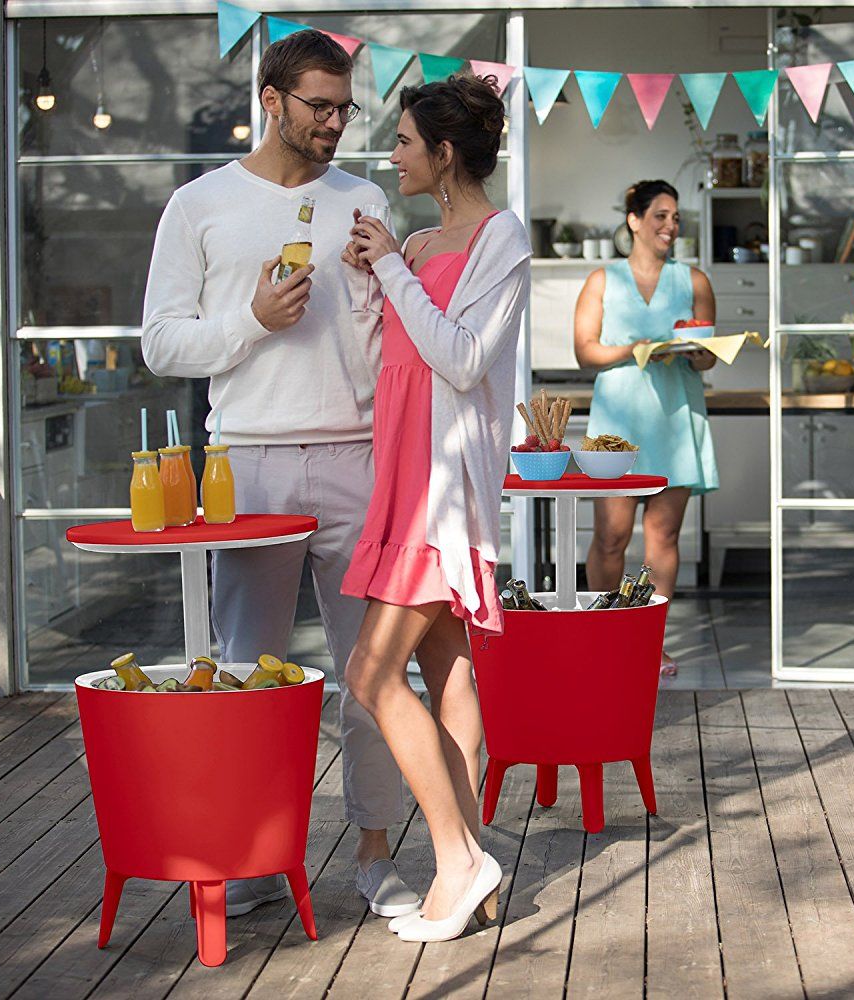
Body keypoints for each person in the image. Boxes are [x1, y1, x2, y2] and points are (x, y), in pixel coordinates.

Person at [142, 29, 420, 920]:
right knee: (246, 678)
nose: (336, 123)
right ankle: (253, 852)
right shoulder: (200, 204)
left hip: (355, 459)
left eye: (346, 108)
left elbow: (389, 344)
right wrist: (253, 319)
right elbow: (161, 343)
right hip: (248, 466)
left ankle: (375, 852)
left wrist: (384, 284)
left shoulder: (365, 199)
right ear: (272, 100)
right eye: (319, 107)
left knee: (374, 675)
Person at [341, 72, 530, 943]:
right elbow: (393, 355)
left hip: (441, 489)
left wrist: (389, 266)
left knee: (371, 676)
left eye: (407, 142)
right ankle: (478, 869)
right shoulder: (415, 243)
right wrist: (373, 274)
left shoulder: (503, 239)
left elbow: (459, 359)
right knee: (447, 672)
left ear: (446, 154)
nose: (393, 154)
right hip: (399, 481)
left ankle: (458, 861)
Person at [572, 180, 718, 676]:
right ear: (633, 220)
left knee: (664, 537)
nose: (670, 226)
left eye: (675, 217)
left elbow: (705, 360)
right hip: (618, 423)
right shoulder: (602, 280)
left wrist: (696, 352)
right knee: (611, 537)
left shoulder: (694, 280)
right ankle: (603, 633)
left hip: (675, 418)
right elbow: (584, 351)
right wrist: (633, 348)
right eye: (660, 216)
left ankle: (649, 642)